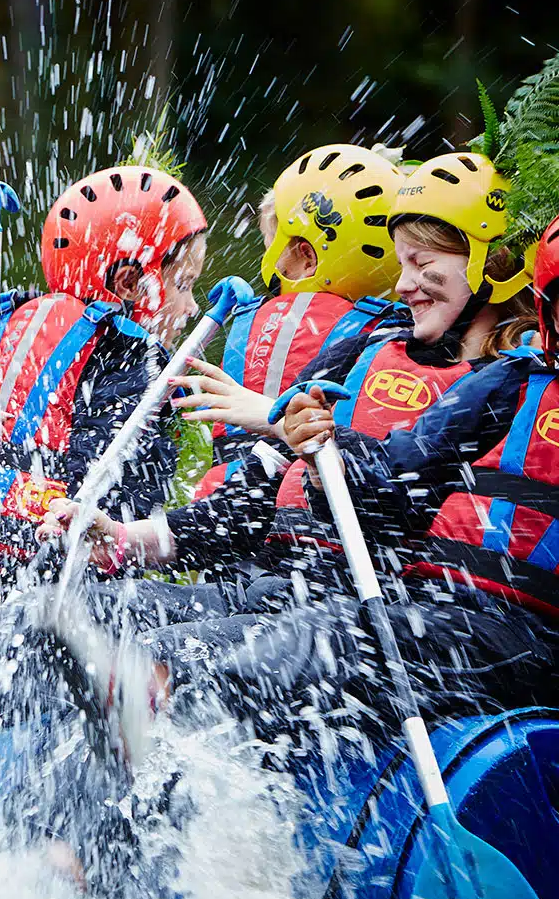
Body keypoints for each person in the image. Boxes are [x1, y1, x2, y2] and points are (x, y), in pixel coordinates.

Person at [37, 152, 552, 749]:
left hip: (451, 621)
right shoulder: (373, 350)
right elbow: (262, 488)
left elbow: (386, 498)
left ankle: (154, 740)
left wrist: (280, 420)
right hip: (301, 587)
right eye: (401, 263)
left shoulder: (499, 378)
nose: (403, 284)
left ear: (495, 264)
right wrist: (131, 540)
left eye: (423, 264)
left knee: (313, 641)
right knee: (107, 623)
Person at [0, 165, 206, 567]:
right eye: (184, 284)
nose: (192, 306)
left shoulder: (18, 320)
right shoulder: (128, 358)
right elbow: (122, 492)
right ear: (127, 285)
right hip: (67, 567)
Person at [189, 144, 410, 497]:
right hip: (302, 502)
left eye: (268, 245)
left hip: (227, 497)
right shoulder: (383, 333)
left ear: (307, 257)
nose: (269, 262)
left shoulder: (252, 318)